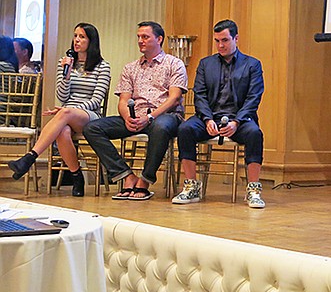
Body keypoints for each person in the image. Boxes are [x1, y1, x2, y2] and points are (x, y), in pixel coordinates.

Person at [83, 21, 187, 201]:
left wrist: (149, 117)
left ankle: (145, 181)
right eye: (138, 37)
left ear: (159, 39)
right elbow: (123, 100)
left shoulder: (174, 64)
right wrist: (127, 118)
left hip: (164, 115)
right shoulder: (130, 68)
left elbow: (174, 98)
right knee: (92, 128)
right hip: (135, 117)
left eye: (145, 37)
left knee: (160, 127)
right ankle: (126, 176)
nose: (140, 40)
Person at [9, 23, 111, 196]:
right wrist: (67, 73)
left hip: (90, 116)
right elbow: (62, 97)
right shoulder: (64, 63)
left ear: (91, 41)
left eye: (82, 37)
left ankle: (30, 157)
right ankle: (76, 176)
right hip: (67, 115)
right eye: (75, 36)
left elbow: (95, 101)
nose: (77, 40)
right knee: (62, 131)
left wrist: (69, 111)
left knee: (64, 113)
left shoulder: (102, 66)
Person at [174, 19, 266, 208]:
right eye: (217, 41)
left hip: (239, 119)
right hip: (209, 118)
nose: (220, 45)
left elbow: (254, 97)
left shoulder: (252, 65)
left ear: (236, 38)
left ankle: (253, 190)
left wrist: (237, 122)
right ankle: (191, 186)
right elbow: (199, 94)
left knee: (255, 134)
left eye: (224, 40)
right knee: (185, 129)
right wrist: (207, 118)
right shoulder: (206, 64)